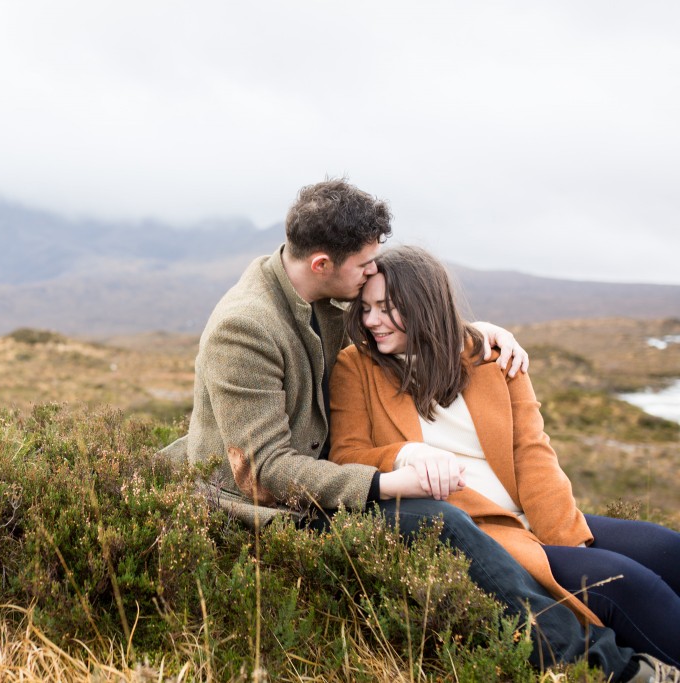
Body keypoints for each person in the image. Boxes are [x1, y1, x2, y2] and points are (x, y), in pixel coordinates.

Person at [160, 179, 666, 681]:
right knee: (439, 521)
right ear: (322, 265)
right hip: (259, 507)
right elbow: (263, 472)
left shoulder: (327, 299)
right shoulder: (246, 326)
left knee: (663, 550)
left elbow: (418, 322)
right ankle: (609, 670)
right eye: (363, 269)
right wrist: (388, 480)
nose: (368, 284)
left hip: (321, 485)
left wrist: (473, 331)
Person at [329, 244, 680, 670]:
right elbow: (347, 454)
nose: (371, 321)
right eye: (366, 309)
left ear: (424, 304)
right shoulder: (356, 367)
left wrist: (566, 538)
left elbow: (533, 453)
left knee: (667, 549)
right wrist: (406, 453)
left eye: (386, 308)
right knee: (624, 586)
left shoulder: (492, 356)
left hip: (534, 514)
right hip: (484, 531)